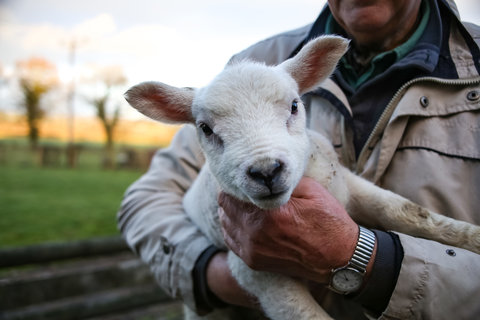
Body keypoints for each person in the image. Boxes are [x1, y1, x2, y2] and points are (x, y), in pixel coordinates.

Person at [117, 0, 480, 318]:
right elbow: (145, 199)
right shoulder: (250, 69)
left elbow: (355, 194)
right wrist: (215, 273)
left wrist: (362, 259)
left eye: (292, 107)